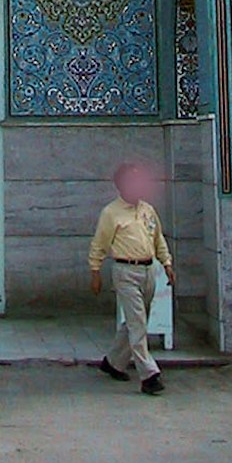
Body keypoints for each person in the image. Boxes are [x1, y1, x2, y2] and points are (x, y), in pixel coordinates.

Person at [88, 160, 174, 395]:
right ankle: (149, 374)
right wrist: (95, 271)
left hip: (148, 270)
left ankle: (113, 362)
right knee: (138, 324)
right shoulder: (111, 213)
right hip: (125, 271)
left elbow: (158, 239)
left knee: (137, 320)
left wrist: (167, 263)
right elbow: (99, 244)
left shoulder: (148, 210)